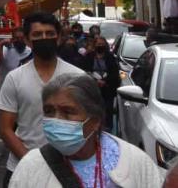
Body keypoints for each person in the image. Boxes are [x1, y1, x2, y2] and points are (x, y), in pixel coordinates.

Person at [9, 74, 164, 187]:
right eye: (49, 111)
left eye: (68, 111)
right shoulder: (31, 166)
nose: (56, 119)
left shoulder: (135, 163)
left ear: (95, 120)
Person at [0, 12, 84, 187]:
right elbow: (6, 130)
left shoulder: (77, 77)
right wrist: (33, 161)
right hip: (22, 168)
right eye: (37, 34)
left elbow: (87, 125)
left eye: (49, 34)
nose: (44, 38)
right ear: (28, 41)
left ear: (58, 38)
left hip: (68, 170)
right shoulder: (15, 78)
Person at [80, 36, 120, 132]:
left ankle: (107, 128)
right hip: (92, 89)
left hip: (107, 89)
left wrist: (105, 81)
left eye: (102, 44)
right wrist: (94, 80)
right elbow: (83, 70)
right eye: (98, 44)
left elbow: (115, 73)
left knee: (107, 110)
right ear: (94, 45)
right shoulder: (89, 56)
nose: (100, 46)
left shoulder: (110, 57)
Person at [0, 27, 31, 93]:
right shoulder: (5, 49)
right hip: (5, 87)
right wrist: (0, 44)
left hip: (23, 88)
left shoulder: (29, 51)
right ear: (12, 39)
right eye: (17, 38)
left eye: (22, 38)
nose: (19, 40)